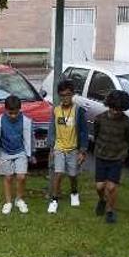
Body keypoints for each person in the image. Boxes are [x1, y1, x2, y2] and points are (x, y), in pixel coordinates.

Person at [93, 90, 129, 224]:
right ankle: (102, 200)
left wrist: (125, 154)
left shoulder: (127, 123)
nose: (115, 112)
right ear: (108, 105)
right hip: (101, 156)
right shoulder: (100, 119)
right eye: (113, 108)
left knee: (111, 187)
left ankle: (110, 210)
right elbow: (96, 134)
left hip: (116, 158)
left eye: (119, 109)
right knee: (100, 186)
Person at [0, 95, 34, 214]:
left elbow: (30, 138)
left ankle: (19, 199)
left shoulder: (26, 121)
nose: (13, 115)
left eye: (16, 113)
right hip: (5, 153)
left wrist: (32, 153)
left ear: (20, 109)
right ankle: (8, 202)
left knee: (21, 177)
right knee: (8, 178)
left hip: (20, 152)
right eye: (10, 113)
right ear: (5, 110)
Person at [46, 80, 88, 214]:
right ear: (59, 96)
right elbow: (52, 129)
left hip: (73, 149)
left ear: (73, 95)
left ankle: (74, 192)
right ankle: (54, 199)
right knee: (58, 173)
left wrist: (82, 151)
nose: (65, 98)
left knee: (73, 175)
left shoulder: (78, 111)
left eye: (68, 95)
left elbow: (83, 131)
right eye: (62, 95)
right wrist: (51, 148)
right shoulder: (55, 110)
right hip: (59, 148)